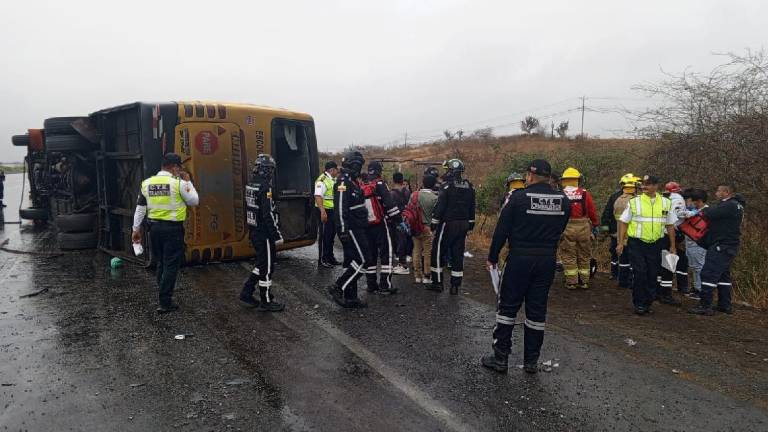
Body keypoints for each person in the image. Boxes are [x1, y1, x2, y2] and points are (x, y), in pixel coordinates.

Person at [481, 159, 570, 374]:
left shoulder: (518, 198)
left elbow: (501, 230)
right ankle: (531, 361)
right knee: (537, 310)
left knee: (507, 307)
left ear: (530, 176)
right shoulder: (563, 201)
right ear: (549, 177)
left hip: (519, 259)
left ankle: (500, 357)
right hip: (546, 260)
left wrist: (492, 257)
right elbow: (561, 229)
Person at [131, 153, 199, 313]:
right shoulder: (179, 184)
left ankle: (163, 291)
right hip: (172, 230)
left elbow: (140, 209)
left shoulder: (147, 183)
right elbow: (194, 200)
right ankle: (165, 301)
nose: (180, 171)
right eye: (179, 168)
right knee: (171, 264)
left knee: (161, 262)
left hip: (154, 229)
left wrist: (135, 229)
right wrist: (188, 182)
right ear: (174, 167)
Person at [616, 175, 678, 315]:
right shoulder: (634, 202)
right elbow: (624, 222)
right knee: (640, 273)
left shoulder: (666, 203)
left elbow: (670, 225)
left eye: (648, 184)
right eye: (643, 184)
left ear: (656, 186)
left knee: (652, 274)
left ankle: (648, 302)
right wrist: (620, 242)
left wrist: (673, 246)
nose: (644, 187)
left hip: (655, 244)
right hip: (637, 243)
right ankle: (639, 303)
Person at [688, 183, 745, 316]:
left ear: (726, 192)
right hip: (729, 245)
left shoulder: (729, 205)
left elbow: (710, 213)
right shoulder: (737, 205)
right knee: (723, 275)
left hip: (722, 245)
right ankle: (725, 304)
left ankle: (705, 305)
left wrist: (699, 210)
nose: (716, 193)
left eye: (719, 191)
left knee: (708, 273)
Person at [238, 154, 285, 311]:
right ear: (267, 170)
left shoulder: (251, 184)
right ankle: (266, 300)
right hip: (264, 233)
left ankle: (247, 292)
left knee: (261, 263)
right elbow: (267, 214)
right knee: (267, 268)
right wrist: (276, 235)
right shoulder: (265, 187)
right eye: (270, 170)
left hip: (254, 230)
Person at [328, 151, 370, 308]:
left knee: (353, 260)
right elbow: (340, 207)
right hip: (351, 228)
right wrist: (343, 229)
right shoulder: (343, 182)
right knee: (363, 260)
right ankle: (339, 286)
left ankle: (351, 297)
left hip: (358, 226)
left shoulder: (352, 181)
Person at [429, 159, 476, 295]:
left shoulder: (446, 186)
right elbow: (472, 207)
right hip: (463, 224)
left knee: (438, 252)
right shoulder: (469, 187)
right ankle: (455, 285)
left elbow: (440, 206)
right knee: (457, 254)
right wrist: (470, 223)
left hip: (448, 224)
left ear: (450, 171)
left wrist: (434, 222)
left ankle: (437, 283)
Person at [359, 161, 404, 295]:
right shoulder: (380, 184)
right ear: (379, 171)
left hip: (367, 226)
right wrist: (399, 221)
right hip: (381, 224)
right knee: (386, 254)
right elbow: (389, 204)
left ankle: (371, 284)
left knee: (371, 255)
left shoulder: (363, 184)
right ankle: (385, 285)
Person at [559, 167, 599, 289]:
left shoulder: (561, 195)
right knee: (584, 254)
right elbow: (592, 211)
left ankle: (571, 282)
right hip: (584, 227)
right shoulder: (585, 193)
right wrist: (595, 225)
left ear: (564, 180)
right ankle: (584, 281)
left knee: (568, 254)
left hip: (567, 227)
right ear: (578, 180)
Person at [659, 182, 690, 296]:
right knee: (675, 260)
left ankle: (660, 287)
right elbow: (678, 213)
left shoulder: (662, 199)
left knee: (664, 260)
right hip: (675, 232)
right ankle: (672, 289)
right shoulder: (678, 199)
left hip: (663, 232)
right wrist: (691, 213)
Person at [602, 175, 632, 280]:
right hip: (623, 231)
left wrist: (605, 230)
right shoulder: (635, 198)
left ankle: (616, 274)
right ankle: (620, 275)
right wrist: (605, 229)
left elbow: (606, 214)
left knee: (617, 252)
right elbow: (607, 213)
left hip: (617, 231)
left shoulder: (615, 196)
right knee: (620, 253)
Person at [613, 175, 640, 289]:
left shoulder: (618, 200)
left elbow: (616, 217)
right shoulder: (634, 201)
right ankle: (631, 282)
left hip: (620, 235)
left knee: (623, 260)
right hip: (631, 235)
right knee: (633, 261)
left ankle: (622, 281)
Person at [411, 175, 439, 284]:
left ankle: (417, 276)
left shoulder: (414, 195)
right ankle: (427, 276)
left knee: (416, 250)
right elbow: (436, 214)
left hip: (415, 227)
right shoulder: (435, 198)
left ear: (423, 183)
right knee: (427, 252)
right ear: (433, 185)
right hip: (427, 227)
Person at [682, 188, 708, 300]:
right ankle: (696, 287)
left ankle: (700, 290)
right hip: (690, 243)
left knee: (699, 266)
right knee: (693, 266)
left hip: (699, 244)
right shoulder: (692, 211)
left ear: (699, 200)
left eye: (691, 200)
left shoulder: (706, 212)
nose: (689, 203)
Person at [314, 161, 340, 268]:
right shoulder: (322, 180)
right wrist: (322, 211)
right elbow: (318, 196)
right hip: (324, 211)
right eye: (336, 169)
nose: (337, 171)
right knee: (324, 236)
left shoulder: (333, 179)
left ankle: (330, 257)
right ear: (332, 170)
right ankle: (322, 259)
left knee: (331, 235)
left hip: (332, 211)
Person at [390, 172, 412, 275]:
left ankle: (403, 265)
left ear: (393, 180)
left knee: (399, 242)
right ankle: (402, 263)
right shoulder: (407, 192)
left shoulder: (391, 194)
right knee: (404, 240)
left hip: (396, 220)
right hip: (406, 219)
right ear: (402, 180)